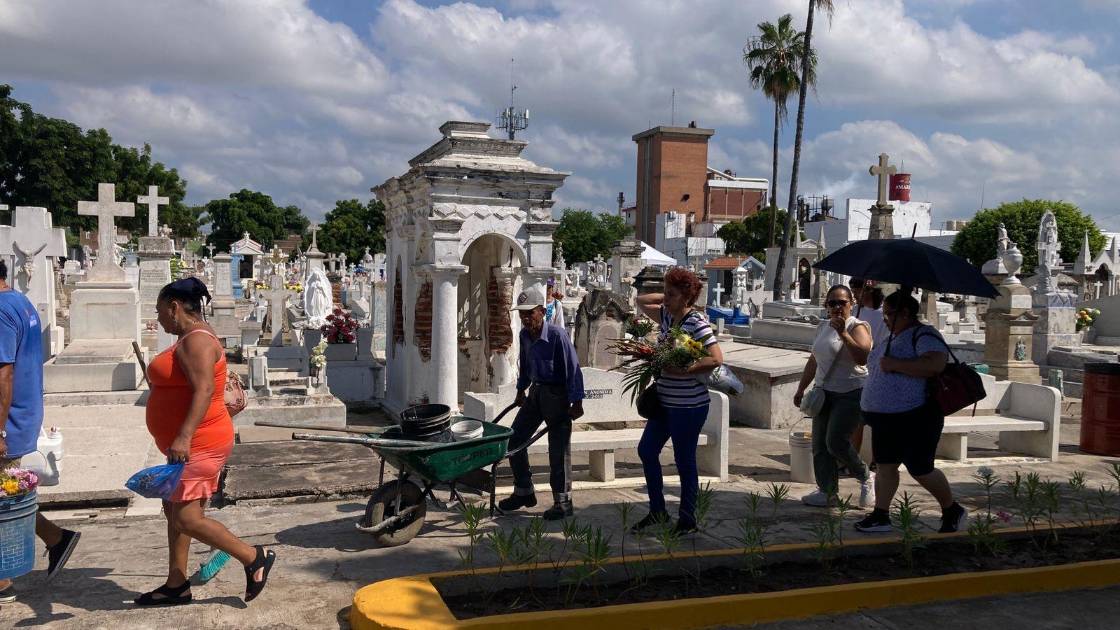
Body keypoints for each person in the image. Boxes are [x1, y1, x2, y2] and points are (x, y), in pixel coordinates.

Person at [136, 278, 275, 606]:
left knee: (186, 518)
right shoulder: (190, 337)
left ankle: (254, 557)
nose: (159, 318)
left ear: (174, 307)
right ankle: (176, 584)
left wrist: (183, 436)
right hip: (191, 441)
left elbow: (204, 390)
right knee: (174, 509)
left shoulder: (196, 340)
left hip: (199, 442)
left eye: (160, 311)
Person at [0, 260, 81, 602]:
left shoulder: (1, 311)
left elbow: (4, 374)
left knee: (5, 498)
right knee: (7, 494)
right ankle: (56, 538)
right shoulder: (21, 302)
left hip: (8, 419)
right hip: (24, 411)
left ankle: (2, 581)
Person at [855, 291, 967, 534]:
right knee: (885, 466)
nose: (885, 319)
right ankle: (881, 515)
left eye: (889, 314)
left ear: (905, 313)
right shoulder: (893, 336)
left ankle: (951, 509)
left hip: (915, 416)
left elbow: (936, 364)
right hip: (886, 418)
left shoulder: (924, 335)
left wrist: (896, 365)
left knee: (920, 469)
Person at [631, 267, 724, 535]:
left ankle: (687, 519)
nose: (666, 299)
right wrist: (670, 295)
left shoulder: (696, 323)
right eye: (666, 293)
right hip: (664, 402)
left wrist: (685, 369)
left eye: (671, 294)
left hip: (688, 405)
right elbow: (641, 301)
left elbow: (716, 358)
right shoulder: (667, 317)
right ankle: (657, 510)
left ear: (686, 297)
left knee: (684, 460)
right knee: (647, 450)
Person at [498, 285, 585, 520]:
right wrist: (520, 391)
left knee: (558, 449)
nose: (526, 318)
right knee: (515, 439)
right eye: (522, 314)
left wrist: (577, 402)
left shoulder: (557, 335)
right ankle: (524, 491)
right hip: (536, 392)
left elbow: (573, 369)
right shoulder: (525, 335)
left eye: (530, 313)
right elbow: (525, 365)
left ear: (542, 311)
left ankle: (563, 502)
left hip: (557, 395)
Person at [792, 285, 874, 508]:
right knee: (819, 445)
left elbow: (862, 358)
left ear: (851, 304)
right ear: (826, 306)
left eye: (842, 302)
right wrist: (801, 388)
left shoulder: (857, 326)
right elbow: (814, 360)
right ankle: (827, 491)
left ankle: (865, 476)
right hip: (823, 392)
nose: (837, 307)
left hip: (850, 392)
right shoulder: (823, 326)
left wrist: (843, 333)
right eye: (832, 303)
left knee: (836, 442)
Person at [849, 277, 886, 460]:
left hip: (875, 369)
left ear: (869, 289)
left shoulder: (883, 314)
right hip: (856, 369)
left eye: (857, 291)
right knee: (856, 420)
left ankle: (876, 460)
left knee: (873, 420)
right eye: (853, 292)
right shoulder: (856, 311)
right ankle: (851, 458)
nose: (855, 296)